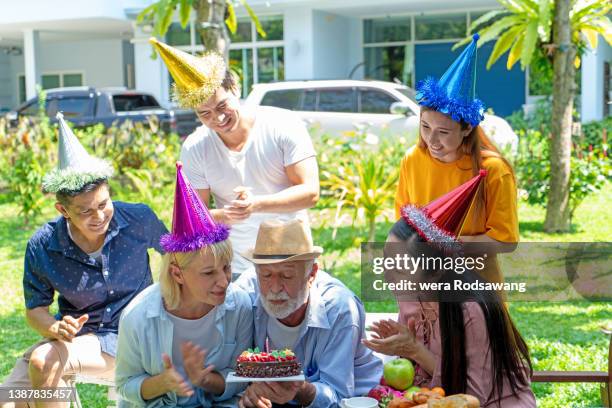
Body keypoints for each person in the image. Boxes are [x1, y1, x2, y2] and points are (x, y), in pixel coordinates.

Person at [0, 113, 167, 408]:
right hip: (84, 340)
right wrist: (54, 328)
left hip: (136, 338)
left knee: (42, 362)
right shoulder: (43, 245)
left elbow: (181, 257)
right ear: (63, 210)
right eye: (85, 211)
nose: (99, 216)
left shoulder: (138, 218)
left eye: (103, 204)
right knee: (8, 399)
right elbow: (35, 310)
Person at [149, 38, 320, 277]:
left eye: (222, 106)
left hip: (290, 257)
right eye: (205, 114)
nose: (217, 119)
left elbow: (310, 192)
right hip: (236, 268)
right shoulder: (196, 146)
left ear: (235, 89)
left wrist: (256, 204)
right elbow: (192, 216)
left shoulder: (282, 124)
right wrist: (226, 215)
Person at [115, 162, 253, 408]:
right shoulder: (137, 316)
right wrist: (164, 383)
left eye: (227, 267)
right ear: (177, 274)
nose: (224, 281)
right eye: (208, 272)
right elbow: (124, 385)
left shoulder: (240, 304)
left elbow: (241, 376)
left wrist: (205, 380)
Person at [363, 218, 536, 408]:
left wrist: (415, 350)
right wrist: (401, 349)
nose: (387, 274)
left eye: (399, 268)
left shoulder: (471, 310)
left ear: (436, 272)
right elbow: (414, 377)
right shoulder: (411, 295)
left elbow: (472, 399)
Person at [394, 33, 518, 287]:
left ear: (467, 128)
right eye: (425, 126)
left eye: (444, 132)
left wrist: (447, 246)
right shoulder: (412, 159)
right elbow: (403, 225)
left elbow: (506, 241)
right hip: (423, 283)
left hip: (475, 286)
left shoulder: (493, 169)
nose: (432, 140)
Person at [234, 219, 382, 408]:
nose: (275, 287)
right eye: (266, 275)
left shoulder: (340, 308)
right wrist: (251, 393)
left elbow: (338, 396)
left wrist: (299, 390)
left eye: (287, 276)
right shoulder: (243, 296)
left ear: (311, 274)